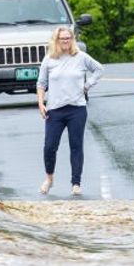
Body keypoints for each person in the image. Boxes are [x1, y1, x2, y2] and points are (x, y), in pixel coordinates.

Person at [36, 26, 104, 196]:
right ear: (56, 40)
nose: (65, 41)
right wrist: (40, 103)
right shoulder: (49, 59)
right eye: (62, 38)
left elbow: (99, 69)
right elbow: (41, 83)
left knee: (76, 146)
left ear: (72, 39)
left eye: (68, 38)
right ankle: (49, 179)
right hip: (55, 110)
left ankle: (76, 183)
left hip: (77, 109)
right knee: (49, 146)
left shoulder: (80, 57)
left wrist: (87, 85)